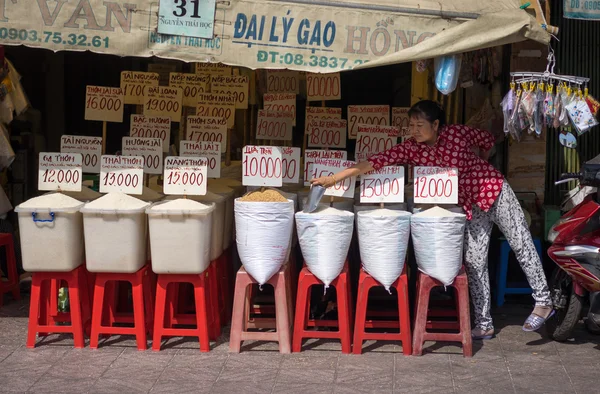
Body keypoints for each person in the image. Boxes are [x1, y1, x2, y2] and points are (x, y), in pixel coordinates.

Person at [311, 100, 554, 339]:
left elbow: (487, 141)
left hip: (492, 189)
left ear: (436, 124)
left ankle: (543, 301)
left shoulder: (457, 133)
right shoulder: (411, 149)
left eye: (419, 125)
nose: (414, 130)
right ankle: (484, 322)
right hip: (469, 205)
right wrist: (333, 179)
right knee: (474, 260)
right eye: (411, 125)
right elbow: (375, 162)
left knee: (520, 242)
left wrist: (476, 163)